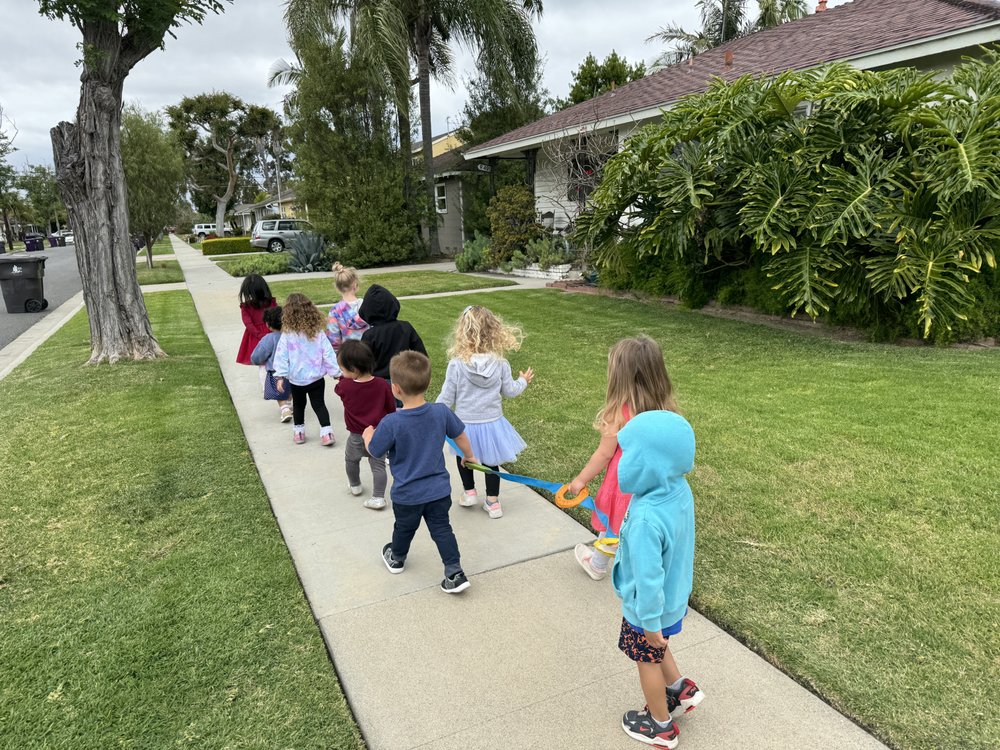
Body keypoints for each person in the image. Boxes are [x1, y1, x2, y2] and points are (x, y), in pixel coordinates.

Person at [613, 410, 704, 748]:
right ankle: (680, 689)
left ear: (648, 463)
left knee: (646, 659)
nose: (625, 460)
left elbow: (648, 579)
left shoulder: (646, 520)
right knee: (659, 644)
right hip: (673, 598)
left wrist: (648, 621)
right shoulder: (679, 490)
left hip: (648, 608)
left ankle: (660, 724)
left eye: (631, 454)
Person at [363, 351, 477, 594]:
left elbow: (375, 451)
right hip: (438, 491)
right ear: (427, 383)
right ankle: (454, 572)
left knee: (404, 527)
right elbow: (460, 435)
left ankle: (397, 557)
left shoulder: (391, 423)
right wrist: (469, 456)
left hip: (407, 494)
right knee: (442, 529)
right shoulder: (441, 412)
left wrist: (367, 435)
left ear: (395, 389)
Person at [567, 336, 677, 581]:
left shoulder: (619, 411)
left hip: (624, 481)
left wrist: (580, 480)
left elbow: (605, 453)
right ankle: (648, 570)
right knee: (644, 525)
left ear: (619, 376)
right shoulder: (665, 408)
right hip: (653, 479)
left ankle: (597, 564)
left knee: (613, 525)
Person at [436, 305, 533, 519]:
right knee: (491, 462)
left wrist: (433, 414)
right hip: (492, 424)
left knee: (463, 456)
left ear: (462, 332)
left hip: (463, 425)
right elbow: (510, 390)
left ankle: (469, 492)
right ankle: (493, 503)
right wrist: (523, 381)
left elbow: (446, 397)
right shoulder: (500, 364)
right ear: (493, 331)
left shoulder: (456, 365)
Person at [274, 293, 342, 446]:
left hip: (296, 380)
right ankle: (327, 433)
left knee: (298, 405)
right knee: (319, 404)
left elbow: (281, 356)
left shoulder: (287, 335)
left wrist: (280, 376)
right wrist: (336, 373)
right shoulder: (317, 333)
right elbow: (328, 353)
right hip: (316, 378)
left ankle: (299, 433)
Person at [335, 339, 396, 510]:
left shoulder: (345, 386)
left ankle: (355, 485)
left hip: (356, 435)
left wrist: (343, 377)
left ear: (353, 369)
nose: (341, 372)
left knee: (351, 460)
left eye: (342, 368)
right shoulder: (382, 384)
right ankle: (378, 497)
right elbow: (391, 406)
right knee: (378, 465)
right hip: (378, 433)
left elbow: (338, 389)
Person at [358, 284, 427, 380]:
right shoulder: (406, 327)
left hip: (379, 382)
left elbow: (362, 362)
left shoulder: (369, 335)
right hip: (404, 379)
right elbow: (421, 353)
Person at [249, 305, 292, 423]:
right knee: (289, 388)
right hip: (292, 369)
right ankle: (289, 404)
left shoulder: (269, 338)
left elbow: (257, 356)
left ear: (268, 324)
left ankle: (285, 409)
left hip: (276, 371)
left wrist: (256, 361)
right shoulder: (291, 336)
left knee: (278, 391)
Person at [236, 274, 277, 375]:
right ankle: (270, 384)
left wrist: (260, 335)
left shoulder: (247, 306)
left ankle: (268, 385)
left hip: (258, 335)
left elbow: (248, 323)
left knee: (263, 361)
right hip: (267, 333)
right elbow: (277, 317)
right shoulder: (270, 302)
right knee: (271, 358)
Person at [326, 263, 369, 352]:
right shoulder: (367, 306)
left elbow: (334, 342)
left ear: (337, 288)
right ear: (355, 285)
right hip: (369, 354)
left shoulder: (335, 312)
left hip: (348, 358)